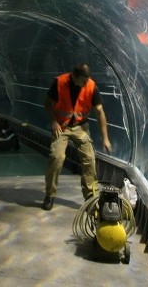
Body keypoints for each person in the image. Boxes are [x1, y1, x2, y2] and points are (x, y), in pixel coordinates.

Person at [42, 63, 112, 211]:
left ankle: (90, 197)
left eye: (87, 81)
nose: (85, 84)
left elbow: (100, 112)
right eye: (83, 81)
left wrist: (105, 138)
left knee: (89, 159)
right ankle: (50, 194)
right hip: (61, 127)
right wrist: (53, 121)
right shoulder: (60, 83)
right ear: (74, 77)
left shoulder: (91, 86)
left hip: (81, 127)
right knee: (57, 157)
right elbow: (47, 103)